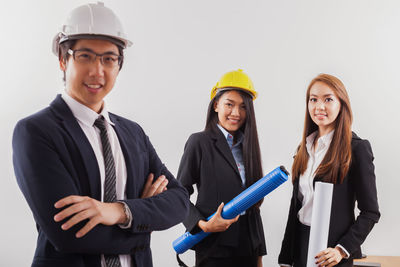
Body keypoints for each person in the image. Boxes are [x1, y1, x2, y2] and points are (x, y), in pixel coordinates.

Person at [12, 2, 189, 267]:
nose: (98, 71)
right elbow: (71, 234)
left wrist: (119, 211)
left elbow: (179, 201)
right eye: (85, 56)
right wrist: (144, 225)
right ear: (63, 59)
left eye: (109, 59)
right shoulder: (36, 131)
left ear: (119, 65)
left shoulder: (133, 133)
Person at [278, 74, 380, 267]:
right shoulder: (304, 148)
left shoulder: (357, 149)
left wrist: (341, 250)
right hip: (300, 246)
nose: (319, 106)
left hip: (331, 252)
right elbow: (297, 207)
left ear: (341, 104)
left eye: (328, 99)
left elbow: (370, 212)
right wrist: (286, 258)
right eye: (313, 99)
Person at [177, 69, 266, 267]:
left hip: (248, 247)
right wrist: (202, 225)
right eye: (229, 104)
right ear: (216, 104)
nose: (236, 113)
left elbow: (253, 207)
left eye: (243, 107)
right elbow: (179, 193)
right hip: (214, 248)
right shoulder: (198, 142)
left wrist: (259, 252)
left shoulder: (248, 146)